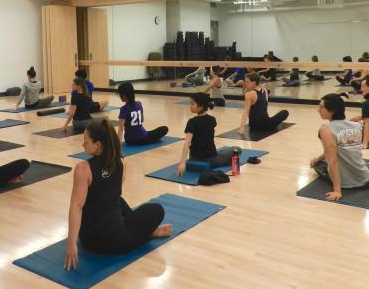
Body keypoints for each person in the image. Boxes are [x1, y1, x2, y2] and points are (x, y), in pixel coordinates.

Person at [64, 119, 171, 269]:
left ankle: (144, 231)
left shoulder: (83, 168)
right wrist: (70, 245)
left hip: (88, 239)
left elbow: (77, 206)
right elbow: (106, 197)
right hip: (114, 243)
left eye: (85, 142)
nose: (83, 145)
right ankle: (149, 233)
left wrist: (72, 243)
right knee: (157, 209)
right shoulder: (121, 163)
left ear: (98, 145)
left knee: (116, 201)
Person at [309, 93, 369, 201]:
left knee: (317, 164)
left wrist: (337, 191)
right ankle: (364, 165)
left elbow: (332, 160)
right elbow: (331, 154)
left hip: (343, 183)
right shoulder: (357, 125)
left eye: (321, 107)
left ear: (332, 111)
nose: (318, 110)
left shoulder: (325, 129)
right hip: (365, 179)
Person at [174, 93, 240, 176]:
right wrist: (182, 162)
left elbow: (187, 142)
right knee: (237, 149)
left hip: (194, 157)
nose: (190, 106)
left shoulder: (192, 122)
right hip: (211, 159)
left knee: (224, 150)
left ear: (201, 106)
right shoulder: (212, 120)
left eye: (192, 104)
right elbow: (188, 142)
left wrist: (182, 162)